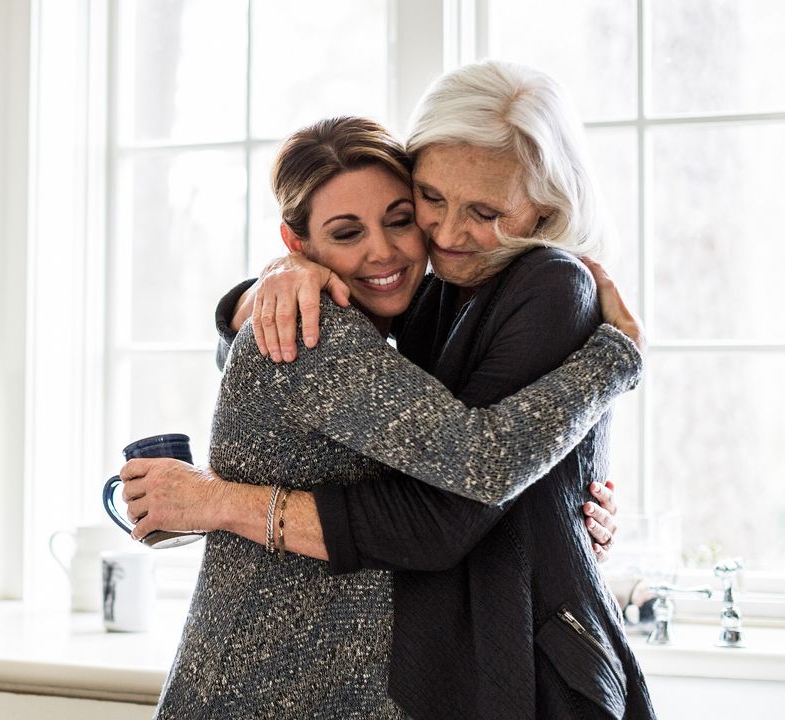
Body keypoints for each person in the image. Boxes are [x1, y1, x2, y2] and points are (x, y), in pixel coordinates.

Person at [125, 70, 653, 717]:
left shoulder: (534, 285)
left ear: (544, 209)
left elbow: (452, 491)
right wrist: (265, 288)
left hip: (489, 661)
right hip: (331, 677)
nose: (448, 234)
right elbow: (307, 374)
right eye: (431, 199)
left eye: (484, 213)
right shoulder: (427, 297)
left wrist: (577, 461)